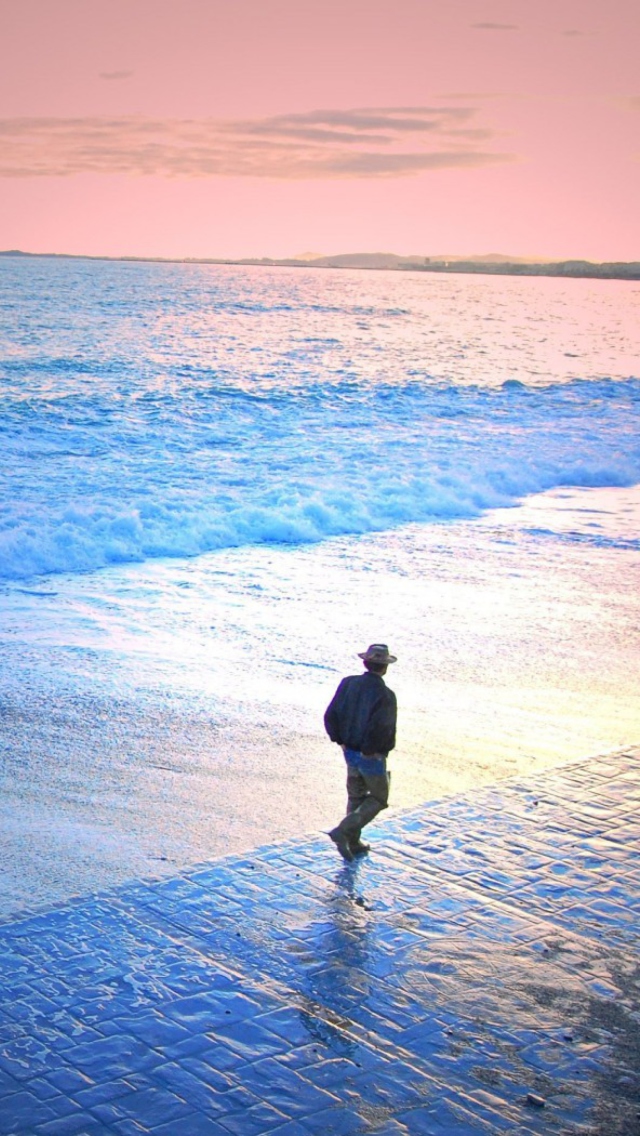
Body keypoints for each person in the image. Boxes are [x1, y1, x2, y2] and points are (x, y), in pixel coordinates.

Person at [324, 644, 397, 862]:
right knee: (378, 798)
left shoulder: (348, 683)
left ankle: (353, 843)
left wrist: (339, 740)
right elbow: (381, 728)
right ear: (384, 668)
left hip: (349, 750)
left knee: (356, 796)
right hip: (370, 756)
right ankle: (343, 830)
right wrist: (370, 751)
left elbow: (331, 714)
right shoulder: (385, 695)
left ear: (365, 663)